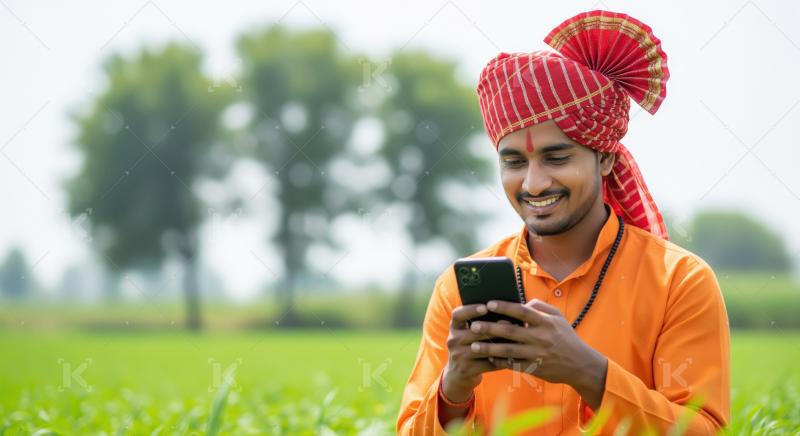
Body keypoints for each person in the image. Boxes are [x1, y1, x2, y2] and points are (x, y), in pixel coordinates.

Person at [397, 10, 730, 435]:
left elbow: (703, 430)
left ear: (605, 157)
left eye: (557, 157)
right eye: (514, 162)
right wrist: (454, 388)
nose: (533, 184)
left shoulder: (679, 282)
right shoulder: (459, 288)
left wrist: (588, 372)